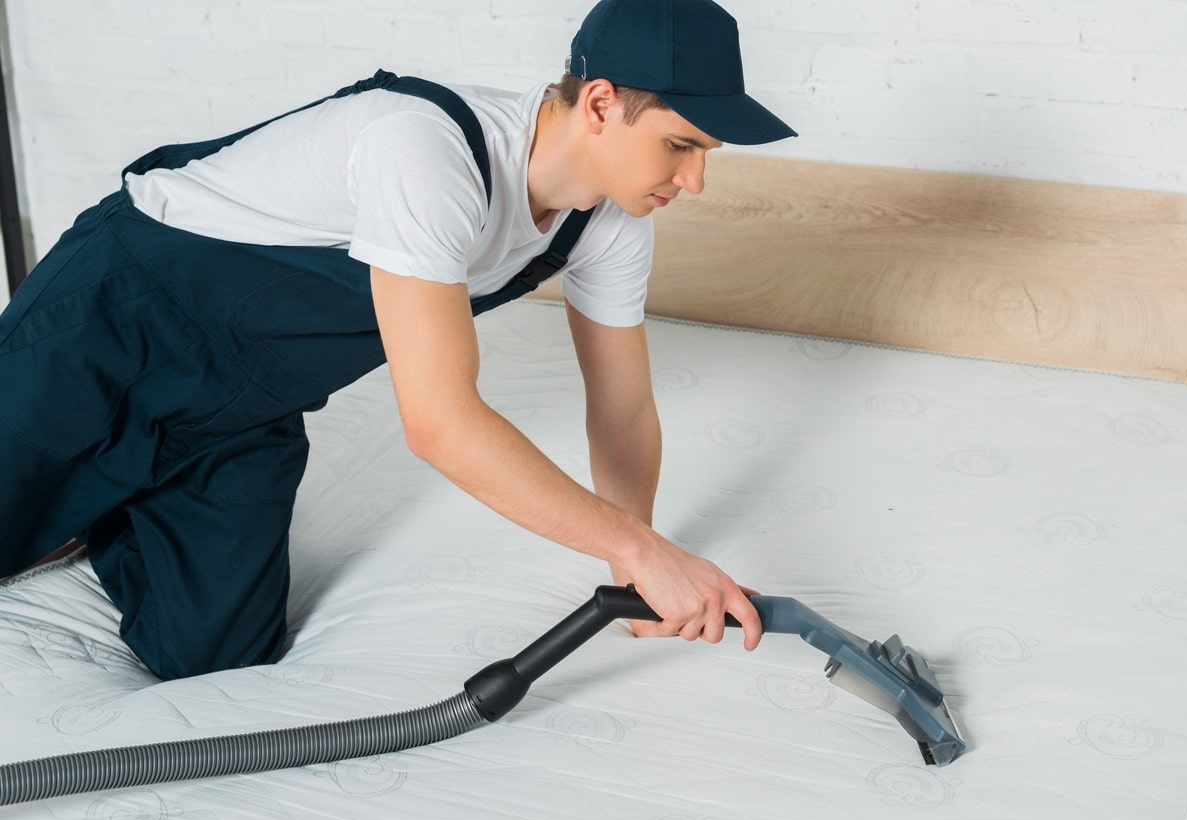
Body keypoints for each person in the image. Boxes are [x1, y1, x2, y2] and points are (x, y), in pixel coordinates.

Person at [0, 0, 795, 681]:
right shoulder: (427, 149)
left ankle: (104, 495)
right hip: (111, 327)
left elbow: (622, 412)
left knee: (211, 654)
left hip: (237, 410)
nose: (693, 182)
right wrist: (649, 555)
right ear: (597, 103)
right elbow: (440, 423)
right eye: (681, 145)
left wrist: (636, 569)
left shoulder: (612, 218)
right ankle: (81, 479)